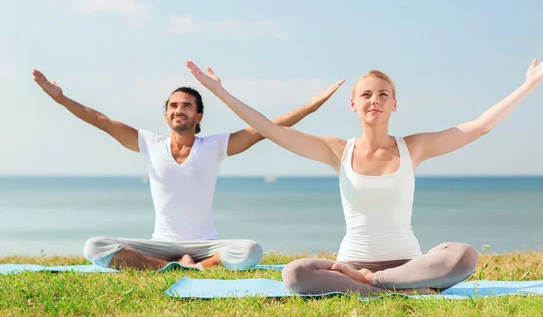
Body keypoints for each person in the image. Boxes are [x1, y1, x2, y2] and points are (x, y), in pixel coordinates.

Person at [184, 48, 543, 294]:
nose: (374, 100)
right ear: (353, 104)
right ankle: (395, 286)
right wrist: (219, 92)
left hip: (408, 263)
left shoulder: (414, 147)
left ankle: (376, 284)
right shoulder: (337, 150)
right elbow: (270, 129)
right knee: (294, 274)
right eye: (366, 94)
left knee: (463, 255)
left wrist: (527, 86)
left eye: (382, 94)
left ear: (394, 104)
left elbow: (479, 126)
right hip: (350, 264)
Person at [32, 69, 343, 271]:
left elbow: (266, 128)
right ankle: (168, 266)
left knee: (250, 250)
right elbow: (99, 120)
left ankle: (200, 264)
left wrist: (311, 106)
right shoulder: (149, 143)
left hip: (206, 243)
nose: (178, 109)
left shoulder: (214, 146)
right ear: (166, 115)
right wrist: (61, 99)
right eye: (173, 106)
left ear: (199, 116)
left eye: (186, 106)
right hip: (160, 242)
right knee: (94, 247)